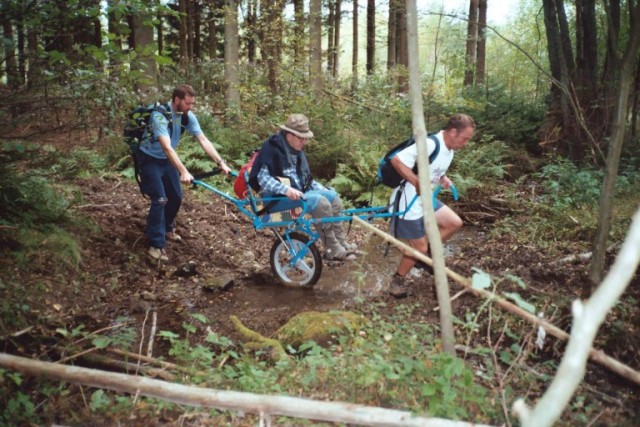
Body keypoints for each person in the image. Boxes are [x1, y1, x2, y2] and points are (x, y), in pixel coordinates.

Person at [137, 84, 231, 262]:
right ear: (177, 100)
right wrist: (183, 171)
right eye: (188, 104)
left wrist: (220, 162)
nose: (191, 107)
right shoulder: (159, 116)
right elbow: (166, 146)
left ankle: (167, 228)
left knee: (176, 197)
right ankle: (155, 245)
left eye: (193, 104)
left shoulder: (186, 116)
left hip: (166, 161)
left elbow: (202, 139)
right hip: (150, 160)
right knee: (160, 199)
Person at [387, 113, 475, 298]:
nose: (465, 143)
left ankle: (422, 254)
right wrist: (417, 181)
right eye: (465, 139)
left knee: (454, 223)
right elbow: (396, 160)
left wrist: (442, 178)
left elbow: (432, 168)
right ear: (452, 132)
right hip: (408, 200)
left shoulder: (449, 150)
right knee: (419, 249)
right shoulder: (430, 144)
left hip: (425, 199)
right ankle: (397, 280)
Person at [248, 114, 357, 261]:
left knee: (333, 197)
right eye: (301, 138)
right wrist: (286, 190)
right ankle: (332, 250)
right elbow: (263, 179)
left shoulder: (296, 151)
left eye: (306, 138)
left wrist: (325, 190)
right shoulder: (271, 148)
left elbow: (306, 181)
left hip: (296, 195)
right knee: (320, 202)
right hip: (275, 199)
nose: (304, 142)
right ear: (289, 135)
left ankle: (341, 243)